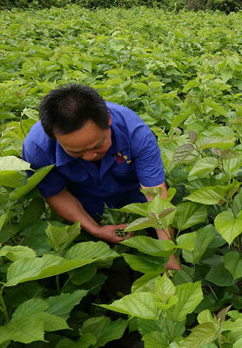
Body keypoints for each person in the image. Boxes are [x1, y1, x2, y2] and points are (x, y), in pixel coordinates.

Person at [22, 84, 180, 271]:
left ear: (109, 119)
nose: (89, 156)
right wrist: (95, 229)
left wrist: (169, 255)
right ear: (54, 138)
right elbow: (56, 193)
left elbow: (155, 193)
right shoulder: (37, 148)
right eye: (76, 152)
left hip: (140, 206)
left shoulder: (134, 132)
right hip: (85, 211)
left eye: (98, 146)